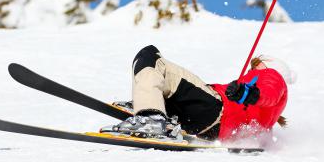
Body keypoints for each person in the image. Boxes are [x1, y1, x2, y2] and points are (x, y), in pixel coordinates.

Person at [100, 45, 291, 142]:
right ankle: (155, 109)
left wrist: (249, 93)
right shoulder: (269, 117)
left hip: (213, 110)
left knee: (149, 56)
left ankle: (151, 115)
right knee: (176, 88)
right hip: (209, 129)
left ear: (270, 66)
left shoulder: (271, 76)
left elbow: (269, 91)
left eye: (256, 65)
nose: (252, 69)